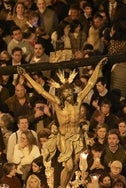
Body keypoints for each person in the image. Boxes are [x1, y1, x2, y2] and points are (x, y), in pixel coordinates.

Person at [17, 57, 106, 188]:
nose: (69, 94)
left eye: (70, 92)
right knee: (69, 165)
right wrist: (26, 75)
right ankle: (61, 186)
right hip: (64, 137)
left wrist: (98, 67)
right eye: (66, 93)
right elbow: (41, 91)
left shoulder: (79, 100)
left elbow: (90, 84)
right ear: (62, 94)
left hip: (77, 136)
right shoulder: (58, 104)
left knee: (75, 164)